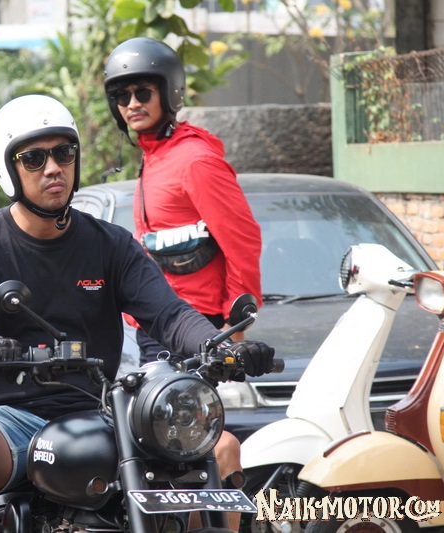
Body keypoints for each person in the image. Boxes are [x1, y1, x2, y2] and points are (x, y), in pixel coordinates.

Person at [0, 95, 275, 532]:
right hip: (7, 418)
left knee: (221, 448)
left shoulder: (110, 244)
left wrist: (220, 346)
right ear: (9, 169)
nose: (52, 168)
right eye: (34, 158)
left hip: (99, 410)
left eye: (64, 153)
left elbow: (169, 314)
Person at [103, 36, 264, 527]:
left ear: (168, 93)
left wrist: (234, 329)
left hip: (192, 333)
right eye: (121, 95)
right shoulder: (155, 157)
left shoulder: (194, 160)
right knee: (162, 463)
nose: (131, 103)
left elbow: (243, 241)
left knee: (198, 455)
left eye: (142, 92)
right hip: (152, 335)